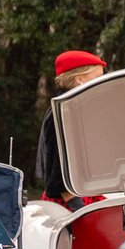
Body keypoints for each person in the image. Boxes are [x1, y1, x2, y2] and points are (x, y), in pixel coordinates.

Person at [33, 49, 107, 204]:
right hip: (69, 200)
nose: (102, 82)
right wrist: (75, 204)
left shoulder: (80, 109)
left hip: (86, 194)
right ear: (80, 79)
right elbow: (57, 163)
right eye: (98, 77)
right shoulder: (62, 112)